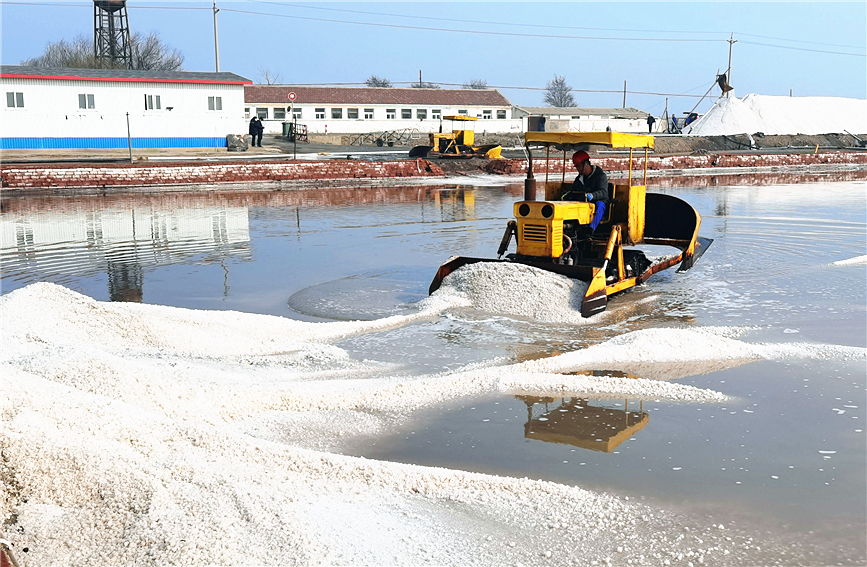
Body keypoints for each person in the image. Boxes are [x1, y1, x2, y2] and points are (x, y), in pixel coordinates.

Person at [562, 151, 608, 231]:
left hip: (597, 204)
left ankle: (591, 229)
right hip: (584, 205)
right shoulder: (579, 179)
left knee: (600, 204)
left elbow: (603, 192)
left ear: (586, 163)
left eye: (578, 166)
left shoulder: (600, 176)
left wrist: (593, 195)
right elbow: (573, 191)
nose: (577, 169)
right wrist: (567, 197)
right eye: (576, 167)